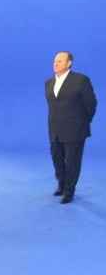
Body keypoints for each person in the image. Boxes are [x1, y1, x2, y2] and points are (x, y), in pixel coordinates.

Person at [45, 51, 97, 204]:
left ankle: (69, 191)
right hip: (54, 129)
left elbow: (91, 104)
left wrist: (82, 122)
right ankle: (61, 184)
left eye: (60, 61)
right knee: (57, 159)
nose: (56, 63)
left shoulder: (81, 80)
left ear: (69, 63)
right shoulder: (48, 83)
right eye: (55, 61)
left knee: (73, 162)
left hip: (75, 129)